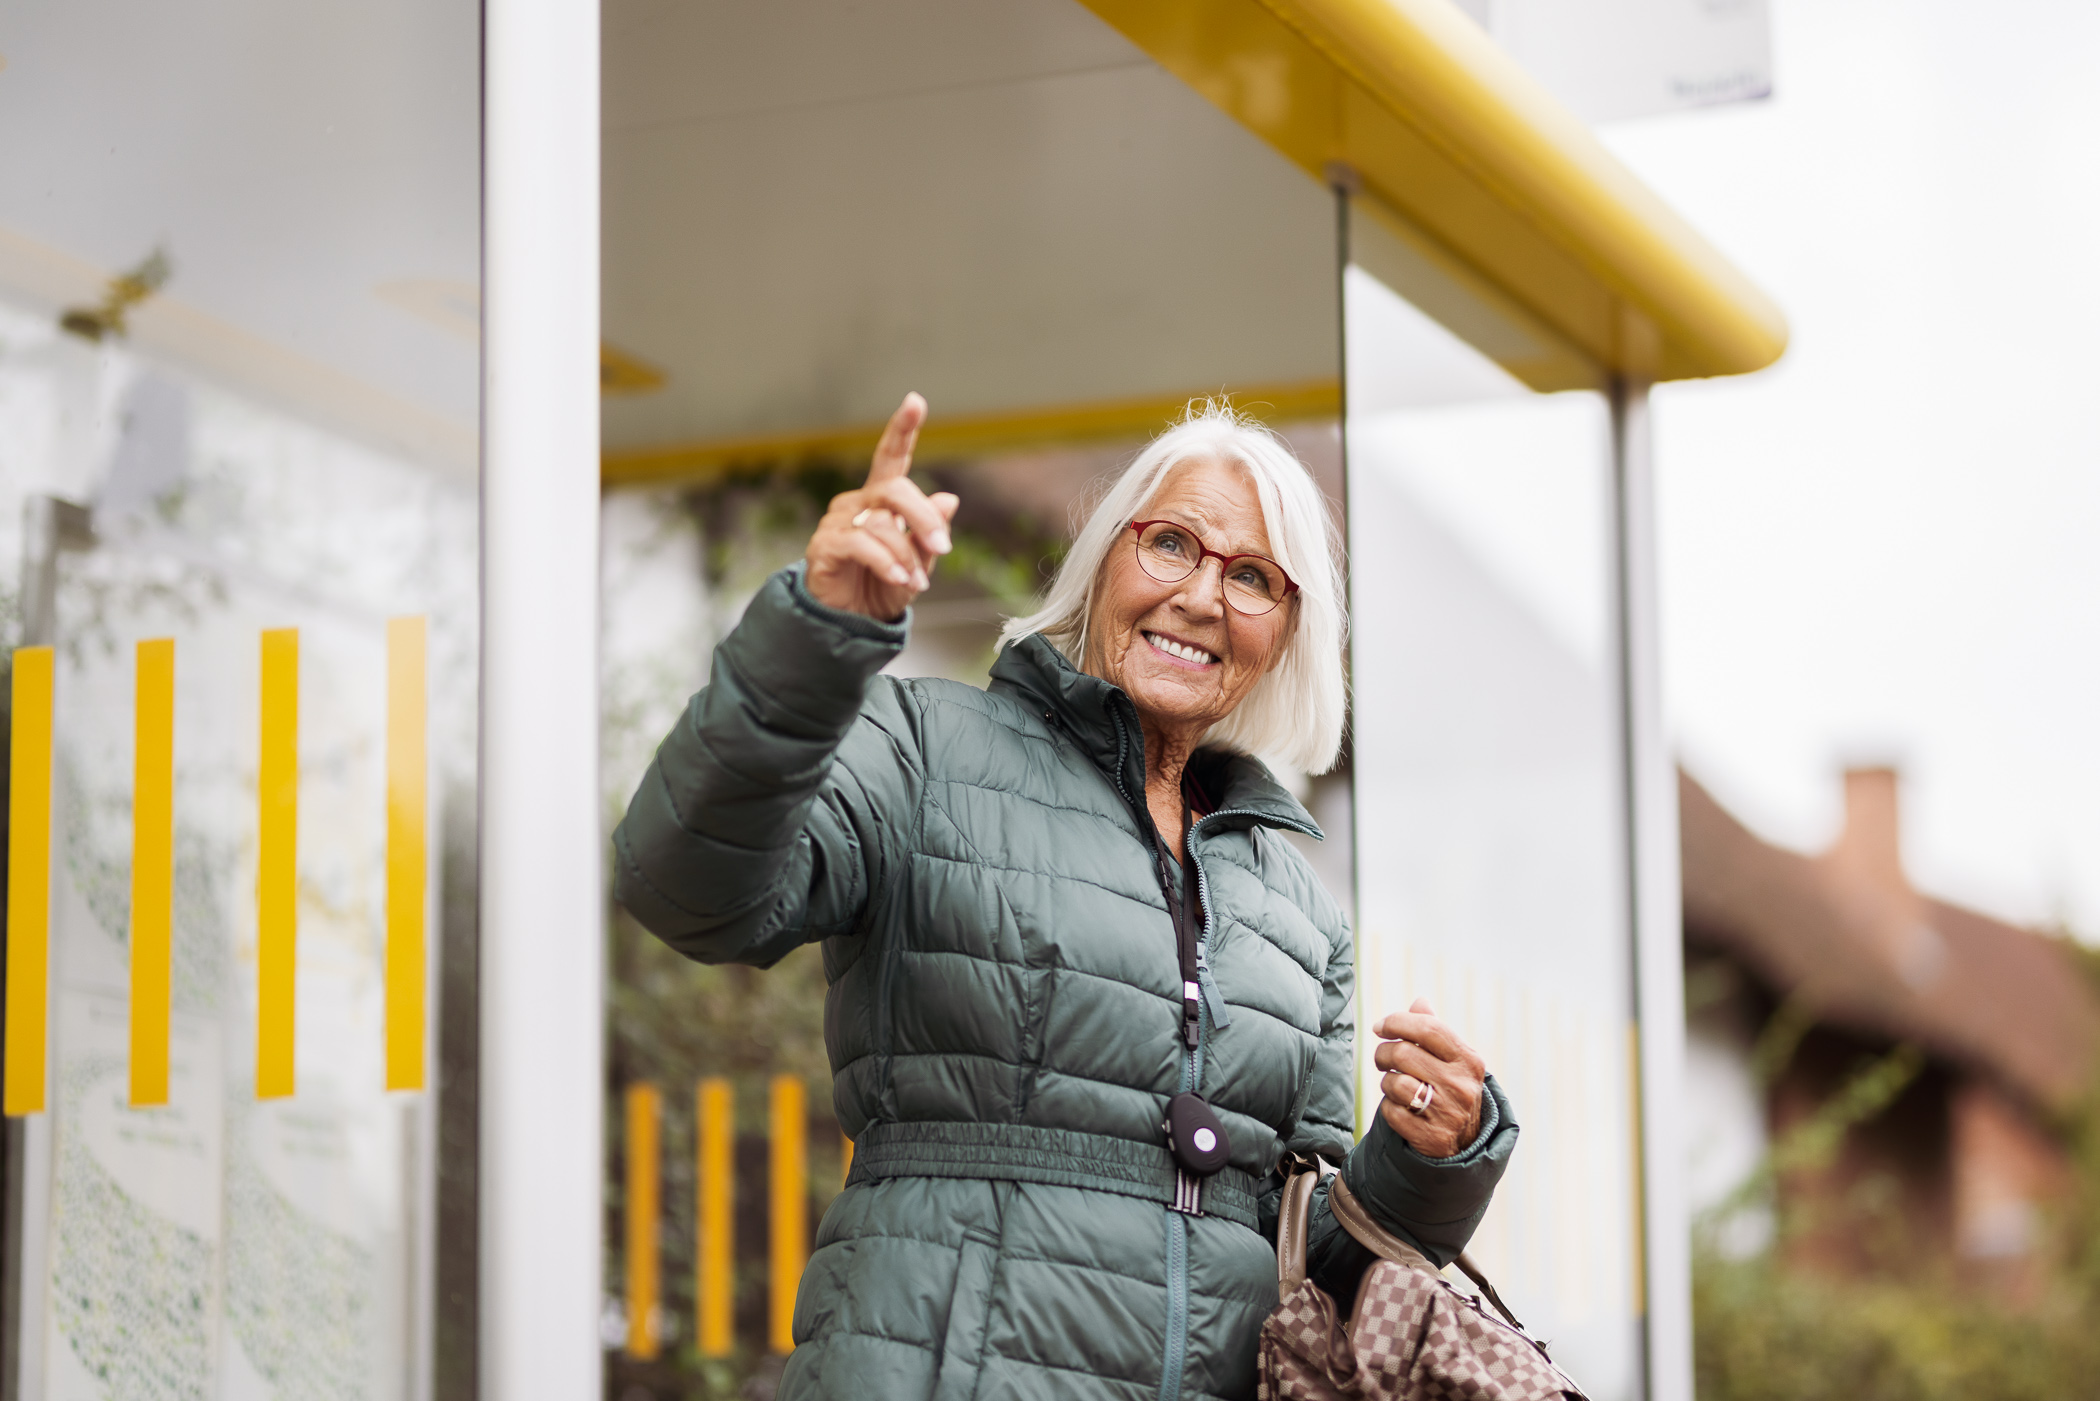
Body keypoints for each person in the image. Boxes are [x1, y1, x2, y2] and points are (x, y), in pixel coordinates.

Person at [613, 394, 1517, 1400]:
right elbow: (690, 889)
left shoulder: (1302, 911)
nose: (1204, 596)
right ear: (1104, 560)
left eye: (1252, 576)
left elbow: (1313, 1274)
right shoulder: (926, 749)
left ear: (1287, 632)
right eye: (1172, 543)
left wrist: (1434, 1157)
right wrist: (816, 635)